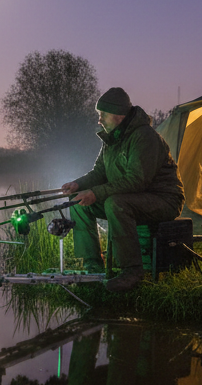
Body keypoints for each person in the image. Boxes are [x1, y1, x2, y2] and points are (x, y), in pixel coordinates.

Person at [61, 87, 185, 292]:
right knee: (77, 201)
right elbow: (99, 172)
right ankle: (92, 265)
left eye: (102, 115)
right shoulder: (111, 138)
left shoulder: (144, 137)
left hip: (164, 200)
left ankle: (132, 271)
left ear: (118, 115)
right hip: (133, 198)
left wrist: (96, 193)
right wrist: (78, 185)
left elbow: (137, 181)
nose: (99, 120)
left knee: (116, 203)